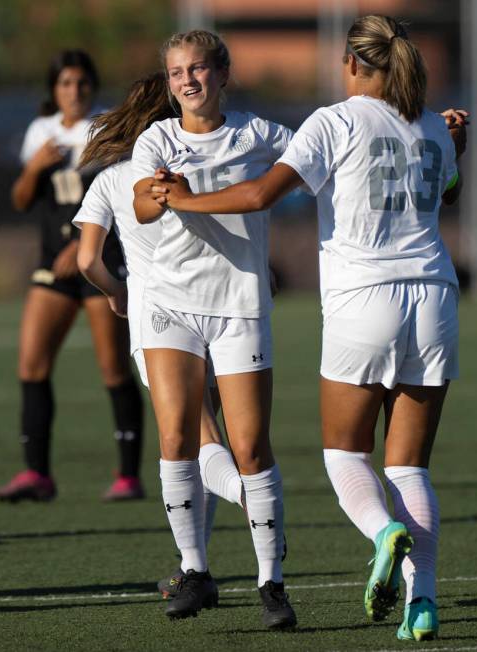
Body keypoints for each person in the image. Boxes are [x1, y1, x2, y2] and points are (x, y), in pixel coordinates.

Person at [150, 15, 468, 642]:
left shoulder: (336, 120)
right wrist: (460, 139)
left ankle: (383, 534)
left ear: (351, 63)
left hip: (363, 300)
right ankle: (422, 599)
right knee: (409, 468)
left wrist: (182, 200)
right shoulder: (433, 123)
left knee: (346, 454)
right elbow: (448, 193)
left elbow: (261, 196)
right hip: (435, 297)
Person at [131, 30, 297, 626]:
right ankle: (195, 570)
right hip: (171, 305)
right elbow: (143, 205)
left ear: (223, 74)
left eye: (199, 69)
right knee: (177, 439)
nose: (188, 81)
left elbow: (320, 161)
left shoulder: (260, 135)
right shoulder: (157, 138)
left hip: (238, 306)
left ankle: (272, 584)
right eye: (177, 72)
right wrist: (156, 193)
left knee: (250, 448)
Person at [73, 72, 246, 602]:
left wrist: (115, 293)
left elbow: (87, 261)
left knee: (200, 440)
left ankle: (260, 507)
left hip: (161, 324)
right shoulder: (199, 165)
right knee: (203, 438)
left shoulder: (112, 179)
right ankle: (197, 566)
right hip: (222, 311)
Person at [0, 50, 145, 503]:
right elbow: (20, 200)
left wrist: (84, 246)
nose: (73, 91)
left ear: (92, 86)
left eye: (81, 83)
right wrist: (34, 167)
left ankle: (128, 476)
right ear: (53, 90)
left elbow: (119, 201)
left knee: (113, 368)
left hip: (99, 261)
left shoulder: (108, 128)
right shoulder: (41, 131)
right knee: (31, 365)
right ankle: (36, 473)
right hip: (51, 264)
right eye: (65, 84)